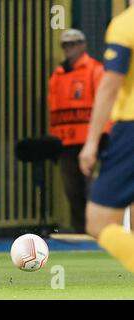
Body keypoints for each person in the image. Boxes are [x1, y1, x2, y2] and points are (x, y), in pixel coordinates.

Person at [79, 2, 134, 273]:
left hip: (130, 129)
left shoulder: (126, 24)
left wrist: (91, 143)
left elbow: (110, 85)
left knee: (98, 222)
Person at [48, 29, 110, 233]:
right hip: (66, 143)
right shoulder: (58, 75)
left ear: (83, 45)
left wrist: (102, 137)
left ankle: (99, 230)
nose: (69, 48)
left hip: (90, 141)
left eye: (73, 44)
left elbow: (105, 104)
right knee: (72, 189)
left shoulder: (94, 70)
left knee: (92, 188)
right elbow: (54, 111)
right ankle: (80, 230)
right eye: (66, 45)